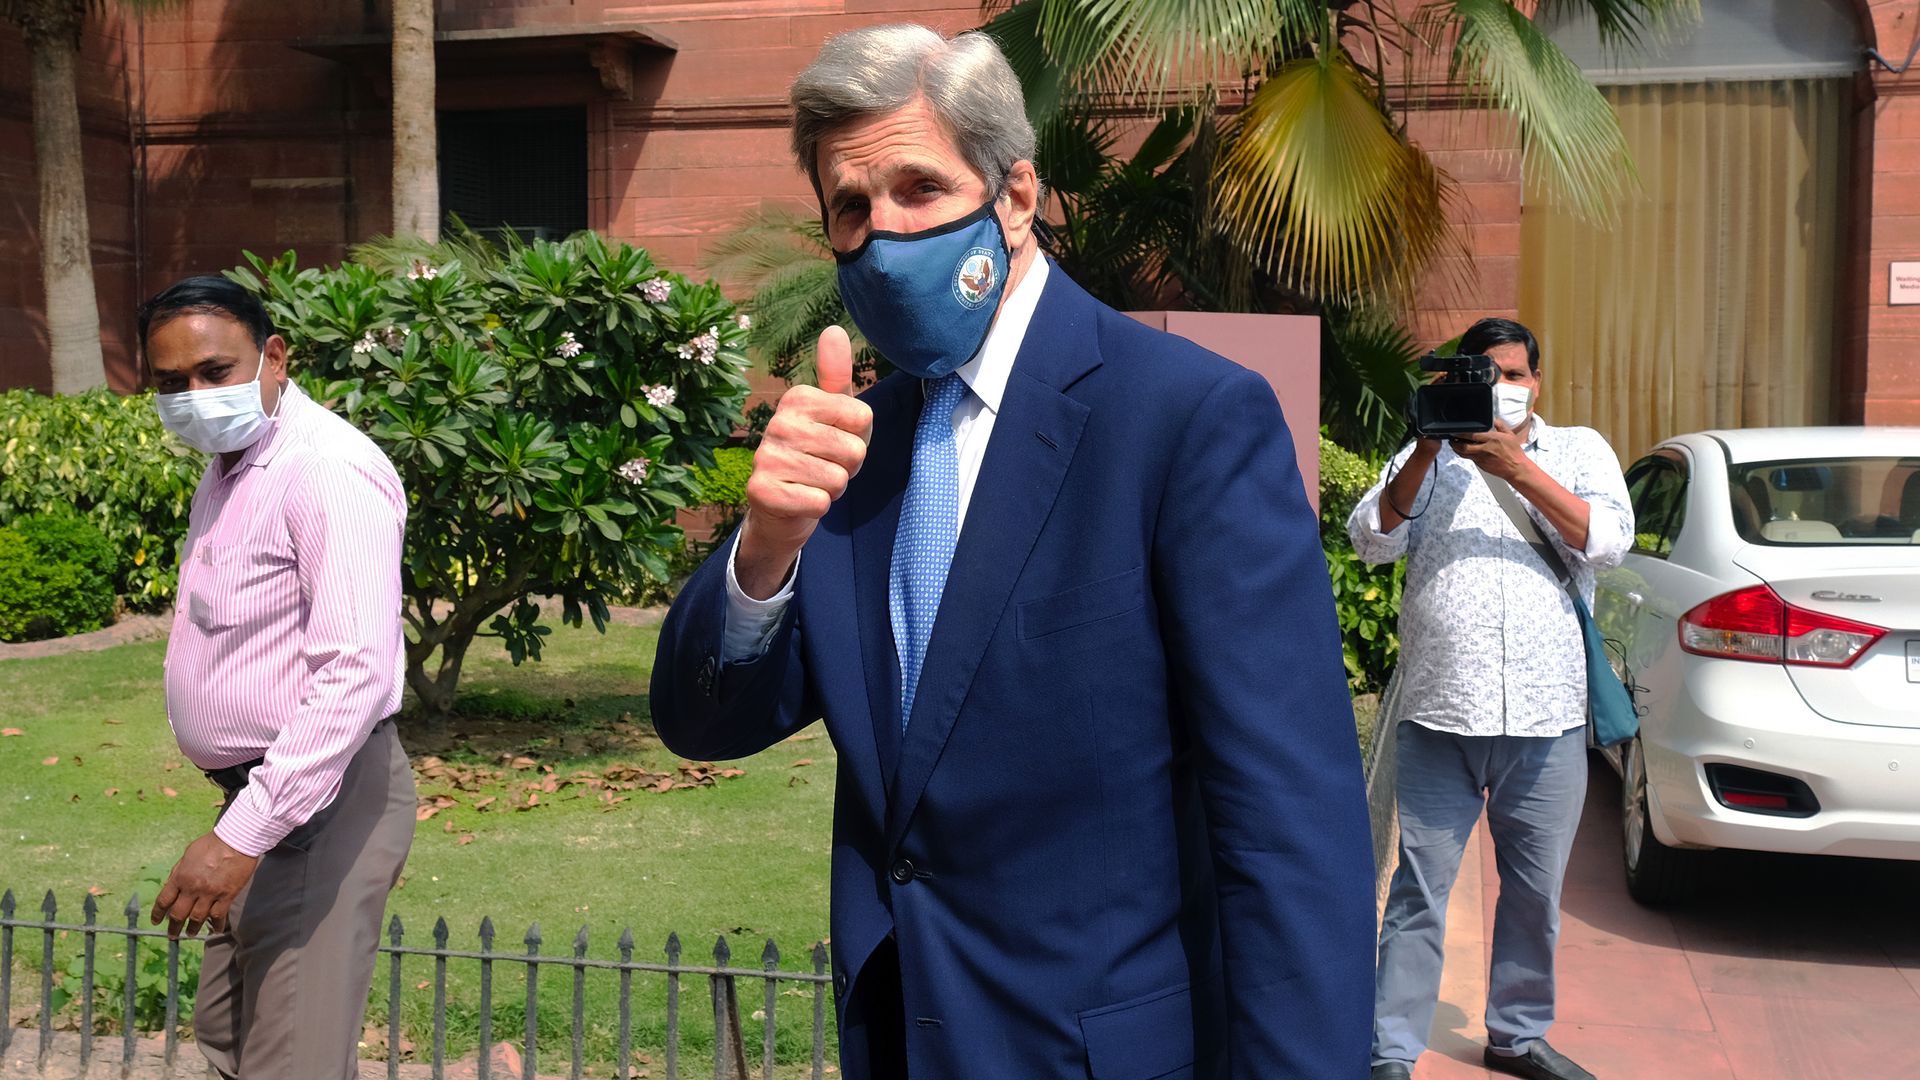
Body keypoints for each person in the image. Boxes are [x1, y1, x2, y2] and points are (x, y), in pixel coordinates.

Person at [651, 24, 1373, 1079]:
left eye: (919, 189)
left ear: (1017, 196)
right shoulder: (858, 452)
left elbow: (1285, 828)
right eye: (851, 208)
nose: (884, 235)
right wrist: (764, 550)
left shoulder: (1184, 421)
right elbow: (703, 720)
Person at [140, 276, 414, 1080]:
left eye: (214, 372)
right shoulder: (233, 463)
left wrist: (239, 838)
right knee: (230, 1035)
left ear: (275, 357)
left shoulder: (326, 469)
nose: (195, 398)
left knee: (290, 1060)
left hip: (322, 801)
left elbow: (354, 673)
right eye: (171, 383)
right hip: (262, 797)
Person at [1351, 318, 1632, 1080]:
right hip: (1441, 712)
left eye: (1512, 374)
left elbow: (1610, 540)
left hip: (1547, 716)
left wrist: (1519, 469)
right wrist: (1426, 448)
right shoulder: (1428, 455)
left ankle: (1517, 1035)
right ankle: (1390, 1049)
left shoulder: (1579, 449)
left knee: (1535, 893)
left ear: (1536, 382)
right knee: (1418, 891)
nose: (1500, 388)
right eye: (1483, 374)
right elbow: (1370, 538)